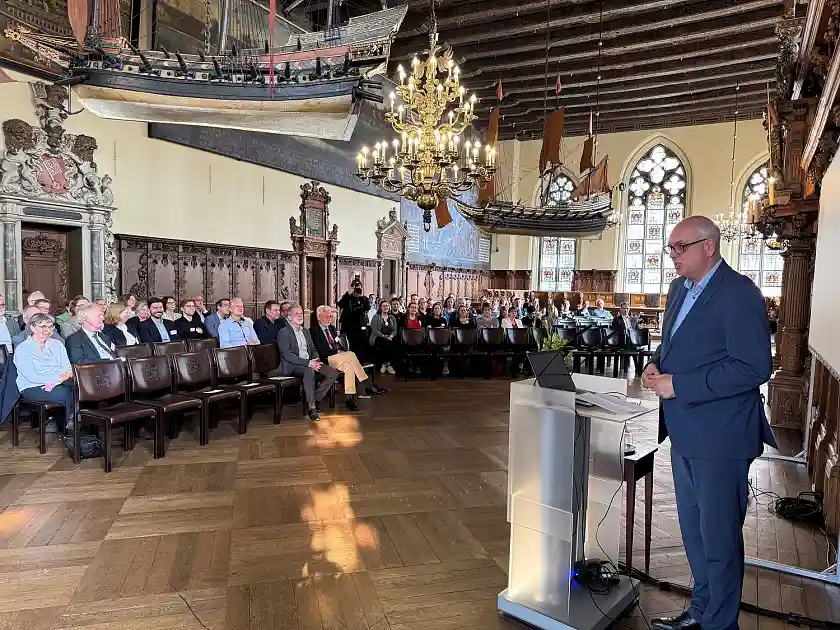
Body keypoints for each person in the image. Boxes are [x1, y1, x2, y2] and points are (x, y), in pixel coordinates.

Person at [643, 216, 774, 630]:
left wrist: (678, 385)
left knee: (719, 540)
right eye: (671, 248)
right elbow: (674, 341)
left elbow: (754, 367)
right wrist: (653, 364)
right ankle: (702, 612)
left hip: (722, 436)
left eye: (680, 247)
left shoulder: (739, 293)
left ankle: (721, 624)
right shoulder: (679, 289)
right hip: (684, 432)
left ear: (709, 246)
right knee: (696, 535)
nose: (674, 256)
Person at [311, 305, 386, 411]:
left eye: (330, 316)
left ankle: (349, 399)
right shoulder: (314, 331)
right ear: (319, 317)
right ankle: (368, 385)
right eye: (326, 317)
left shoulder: (332, 329)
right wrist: (337, 351)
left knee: (348, 366)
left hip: (339, 358)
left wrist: (339, 350)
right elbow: (321, 351)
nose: (329, 319)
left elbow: (338, 344)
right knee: (350, 355)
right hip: (326, 359)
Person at [13, 312, 75, 434]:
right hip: (32, 387)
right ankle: (72, 430)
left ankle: (73, 425)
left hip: (60, 382)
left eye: (50, 326)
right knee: (69, 393)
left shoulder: (57, 344)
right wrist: (58, 377)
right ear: (32, 327)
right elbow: (32, 376)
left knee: (79, 388)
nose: (47, 330)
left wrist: (61, 377)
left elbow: (66, 367)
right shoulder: (23, 349)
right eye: (43, 326)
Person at [276, 304, 340, 421]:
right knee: (309, 371)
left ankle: (314, 398)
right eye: (297, 314)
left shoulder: (306, 331)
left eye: (301, 314)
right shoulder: (283, 332)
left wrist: (315, 360)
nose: (300, 316)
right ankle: (312, 408)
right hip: (292, 366)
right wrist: (309, 363)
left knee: (333, 373)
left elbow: (313, 350)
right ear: (289, 317)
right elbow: (288, 355)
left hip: (309, 362)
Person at [337, 279, 370, 359]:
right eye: (355, 288)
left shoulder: (364, 299)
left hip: (360, 326)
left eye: (359, 288)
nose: (357, 290)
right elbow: (340, 304)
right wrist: (348, 293)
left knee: (361, 346)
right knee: (349, 345)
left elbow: (367, 307)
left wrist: (361, 297)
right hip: (349, 326)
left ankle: (361, 362)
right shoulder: (348, 298)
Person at [369, 299, 398, 375]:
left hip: (389, 337)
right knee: (385, 342)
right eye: (384, 306)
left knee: (393, 342)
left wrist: (391, 335)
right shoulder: (376, 317)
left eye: (387, 306)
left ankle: (384, 364)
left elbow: (395, 330)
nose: (386, 307)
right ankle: (388, 364)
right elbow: (374, 330)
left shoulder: (392, 317)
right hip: (378, 337)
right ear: (380, 307)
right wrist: (384, 336)